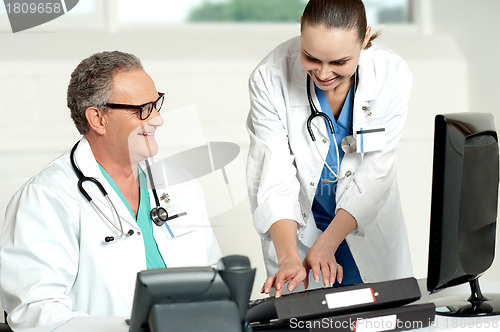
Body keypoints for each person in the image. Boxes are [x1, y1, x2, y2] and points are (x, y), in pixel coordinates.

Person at [0, 51, 222, 330]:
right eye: (143, 109)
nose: (157, 120)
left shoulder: (181, 184)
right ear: (98, 119)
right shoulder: (46, 198)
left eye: (156, 104)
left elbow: (215, 277)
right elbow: (38, 315)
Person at [246, 0, 413, 298]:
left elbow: (377, 172)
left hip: (362, 224)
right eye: (310, 58)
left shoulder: (392, 73)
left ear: (365, 39)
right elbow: (274, 177)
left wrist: (328, 242)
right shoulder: (269, 78)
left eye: (339, 63)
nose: (323, 73)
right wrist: (287, 258)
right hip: (298, 235)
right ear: (300, 27)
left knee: (379, 319)